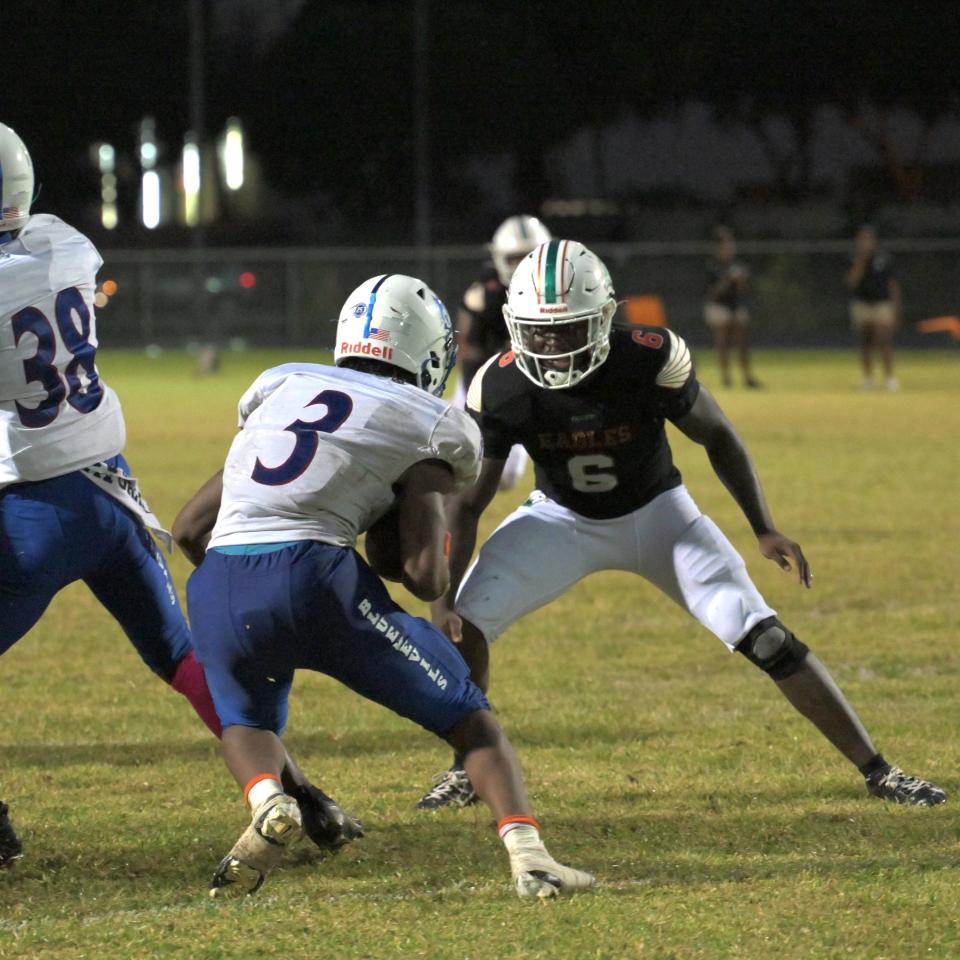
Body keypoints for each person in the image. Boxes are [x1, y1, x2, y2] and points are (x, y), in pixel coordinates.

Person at [417, 237, 945, 812]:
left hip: (657, 515)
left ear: (604, 318)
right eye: (539, 330)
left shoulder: (647, 355)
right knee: (462, 628)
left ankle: (879, 771)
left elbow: (717, 435)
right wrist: (443, 595)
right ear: (516, 325)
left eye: (568, 328)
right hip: (560, 519)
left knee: (766, 636)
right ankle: (466, 769)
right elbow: (468, 503)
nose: (551, 343)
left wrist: (762, 527)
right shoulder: (502, 383)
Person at [0, 121, 360, 868]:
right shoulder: (65, 241)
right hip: (112, 495)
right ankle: (285, 792)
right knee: (182, 658)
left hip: (29, 511)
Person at [171, 274, 594, 900]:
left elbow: (186, 528)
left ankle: (268, 802)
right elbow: (425, 574)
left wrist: (241, 589)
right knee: (469, 717)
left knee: (244, 720)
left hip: (216, 582)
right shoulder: (426, 420)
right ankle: (531, 857)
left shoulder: (284, 385)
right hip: (313, 574)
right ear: (429, 352)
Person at [449, 215, 552, 493]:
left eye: (529, 256)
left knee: (505, 478)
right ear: (498, 258)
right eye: (514, 258)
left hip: (535, 380)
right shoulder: (485, 294)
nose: (522, 266)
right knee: (445, 451)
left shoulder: (559, 288)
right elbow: (470, 354)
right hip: (483, 375)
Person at [703, 226, 762, 389]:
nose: (729, 249)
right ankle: (726, 378)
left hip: (735, 305)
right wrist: (728, 280)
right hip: (718, 306)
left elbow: (744, 290)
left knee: (742, 342)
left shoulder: (736, 265)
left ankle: (747, 377)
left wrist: (741, 281)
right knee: (722, 342)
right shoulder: (712, 267)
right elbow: (712, 293)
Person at [845, 225, 901, 391]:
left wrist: (896, 308)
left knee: (883, 338)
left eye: (868, 239)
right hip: (862, 303)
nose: (865, 243)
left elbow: (893, 285)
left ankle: (890, 378)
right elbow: (851, 282)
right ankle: (868, 379)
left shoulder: (884, 259)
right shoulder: (854, 257)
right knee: (865, 342)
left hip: (882, 303)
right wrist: (860, 262)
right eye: (862, 240)